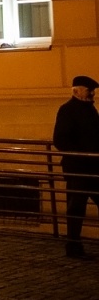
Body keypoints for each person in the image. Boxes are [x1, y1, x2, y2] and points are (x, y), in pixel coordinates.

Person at [54, 75, 99, 259]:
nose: (93, 94)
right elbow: (60, 140)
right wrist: (83, 153)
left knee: (76, 208)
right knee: (76, 208)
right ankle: (73, 246)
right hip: (78, 168)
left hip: (93, 168)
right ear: (77, 91)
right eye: (89, 90)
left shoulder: (89, 109)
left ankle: (73, 245)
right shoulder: (68, 110)